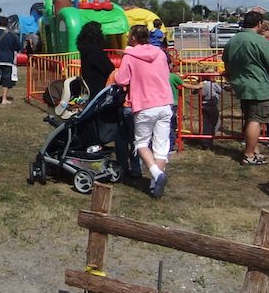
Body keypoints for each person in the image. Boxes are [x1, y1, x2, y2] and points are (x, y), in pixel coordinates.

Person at [114, 25, 173, 198]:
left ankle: (157, 175)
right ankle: (156, 184)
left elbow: (121, 79)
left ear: (133, 38)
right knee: (161, 146)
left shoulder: (129, 57)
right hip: (164, 103)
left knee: (141, 143)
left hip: (145, 105)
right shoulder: (160, 54)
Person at [222, 11, 269, 166]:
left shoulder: (233, 40)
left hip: (241, 85)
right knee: (256, 120)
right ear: (259, 24)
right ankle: (249, 155)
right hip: (258, 86)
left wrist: (231, 77)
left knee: (249, 118)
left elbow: (227, 63)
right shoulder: (260, 41)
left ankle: (254, 150)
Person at [167, 57, 202, 153]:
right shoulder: (173, 77)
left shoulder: (160, 75)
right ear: (170, 66)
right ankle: (171, 145)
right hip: (172, 103)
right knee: (172, 124)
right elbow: (185, 85)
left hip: (161, 103)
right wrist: (197, 86)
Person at [76, 21, 114, 96]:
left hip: (89, 84)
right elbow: (109, 68)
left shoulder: (85, 48)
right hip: (99, 87)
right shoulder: (96, 50)